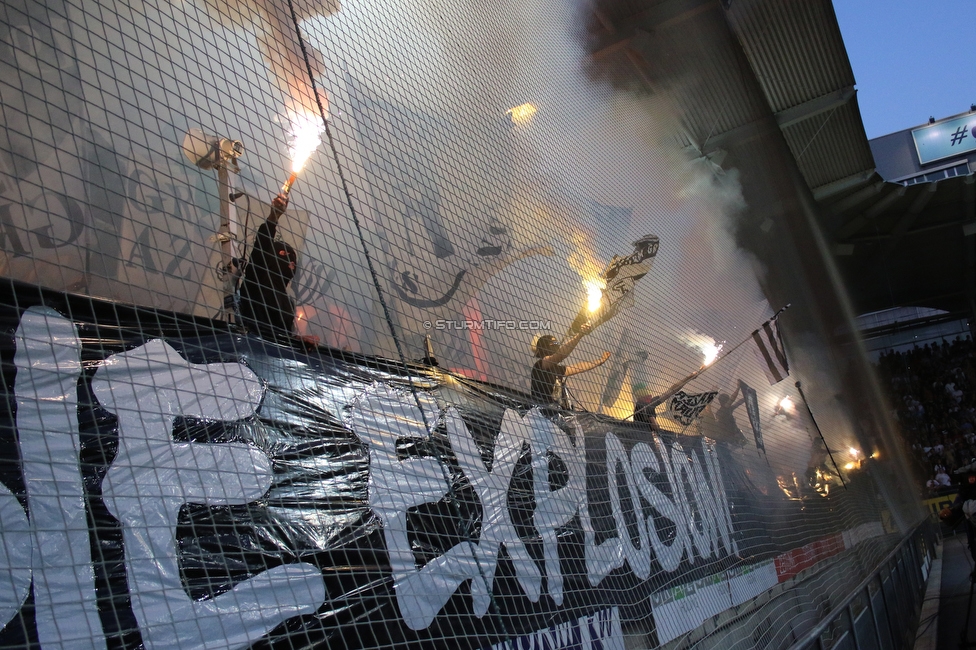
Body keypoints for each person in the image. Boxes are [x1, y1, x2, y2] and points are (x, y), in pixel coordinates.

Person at [239, 193, 318, 346]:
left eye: (292, 258)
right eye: (283, 255)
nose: (290, 262)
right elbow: (260, 250)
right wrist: (273, 217)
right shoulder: (257, 281)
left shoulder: (288, 301)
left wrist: (299, 341)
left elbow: (282, 338)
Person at [531, 323, 610, 404]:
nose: (557, 345)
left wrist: (600, 361)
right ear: (545, 347)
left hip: (554, 412)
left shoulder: (558, 369)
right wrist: (580, 335)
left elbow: (580, 367)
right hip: (540, 412)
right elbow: (560, 355)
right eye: (554, 343)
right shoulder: (539, 365)